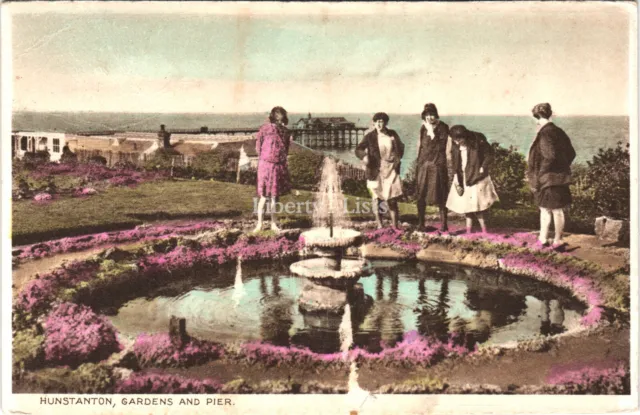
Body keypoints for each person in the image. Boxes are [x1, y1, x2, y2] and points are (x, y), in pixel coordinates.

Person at [527, 103, 576, 250]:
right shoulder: (559, 131)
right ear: (549, 114)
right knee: (557, 209)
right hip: (559, 178)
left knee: (546, 209)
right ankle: (555, 240)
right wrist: (562, 168)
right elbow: (571, 153)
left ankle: (546, 239)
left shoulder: (545, 133)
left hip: (547, 178)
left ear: (537, 118)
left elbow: (549, 156)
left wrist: (542, 173)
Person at [446, 125, 499, 233]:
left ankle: (484, 231)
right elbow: (455, 161)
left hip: (476, 176)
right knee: (467, 206)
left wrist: (483, 167)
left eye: (459, 139)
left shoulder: (477, 140)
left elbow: (489, 155)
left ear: (465, 136)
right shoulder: (456, 144)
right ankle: (469, 231)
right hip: (463, 176)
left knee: (478, 206)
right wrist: (457, 179)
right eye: (454, 140)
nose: (456, 142)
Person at [355, 112, 405, 229]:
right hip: (375, 170)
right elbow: (358, 149)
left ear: (386, 123)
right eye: (377, 121)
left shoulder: (392, 134)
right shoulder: (370, 136)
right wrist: (364, 156)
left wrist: (396, 157)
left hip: (391, 169)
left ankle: (395, 227)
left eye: (381, 121)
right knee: (377, 198)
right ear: (374, 123)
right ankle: (379, 225)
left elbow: (401, 147)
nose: (379, 124)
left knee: (392, 199)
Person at [254, 106, 292, 232]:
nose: (278, 117)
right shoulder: (265, 128)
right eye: (276, 114)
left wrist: (280, 161)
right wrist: (265, 159)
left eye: (281, 114)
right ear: (272, 115)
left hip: (278, 165)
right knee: (264, 197)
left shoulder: (285, 132)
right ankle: (259, 224)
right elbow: (258, 146)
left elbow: (285, 149)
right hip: (265, 165)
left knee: (275, 197)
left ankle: (273, 224)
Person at [415, 103, 451, 232]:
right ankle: (421, 224)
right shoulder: (423, 128)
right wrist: (419, 163)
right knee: (421, 194)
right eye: (427, 115)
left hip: (438, 164)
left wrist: (438, 163)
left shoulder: (443, 127)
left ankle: (444, 224)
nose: (430, 117)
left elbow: (443, 146)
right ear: (424, 116)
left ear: (436, 115)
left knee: (441, 194)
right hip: (424, 165)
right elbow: (420, 146)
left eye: (432, 115)